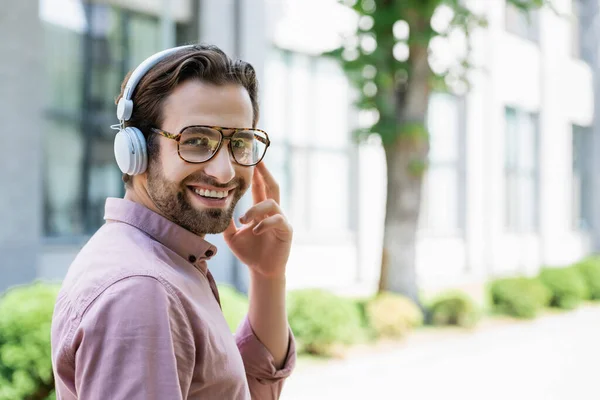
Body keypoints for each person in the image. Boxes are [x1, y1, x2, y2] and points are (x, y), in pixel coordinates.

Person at [51, 44, 296, 400]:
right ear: (134, 150)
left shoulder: (164, 261)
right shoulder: (141, 290)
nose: (225, 170)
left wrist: (267, 276)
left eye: (239, 143)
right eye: (196, 140)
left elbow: (241, 390)